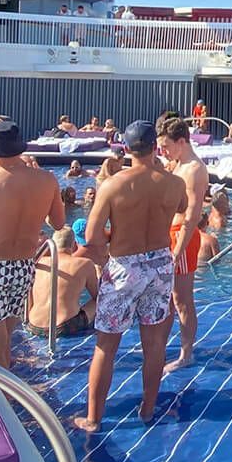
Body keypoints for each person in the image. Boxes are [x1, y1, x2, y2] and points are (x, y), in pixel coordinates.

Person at [73, 121, 186, 431]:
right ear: (155, 147)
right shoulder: (174, 183)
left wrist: (118, 233)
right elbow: (185, 206)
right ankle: (147, 409)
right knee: (154, 344)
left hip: (125, 266)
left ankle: (94, 418)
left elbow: (93, 236)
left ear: (124, 148)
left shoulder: (114, 184)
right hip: (161, 263)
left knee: (106, 346)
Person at [0, 119, 65, 369]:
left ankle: (0, 402)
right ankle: (9, 394)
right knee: (5, 339)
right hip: (24, 268)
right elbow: (58, 223)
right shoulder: (47, 180)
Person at [157, 116, 208, 373]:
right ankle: (164, 346)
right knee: (166, 297)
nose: (163, 151)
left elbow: (192, 215)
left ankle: (186, 354)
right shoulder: (178, 164)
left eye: (166, 146)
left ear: (181, 141)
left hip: (182, 237)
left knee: (182, 299)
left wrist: (177, 251)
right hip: (170, 233)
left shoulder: (195, 170)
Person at [27, 227, 98, 338]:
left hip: (33, 325)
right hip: (65, 327)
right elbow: (97, 295)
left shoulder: (38, 262)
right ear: (74, 245)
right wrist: (99, 274)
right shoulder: (84, 264)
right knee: (101, 300)